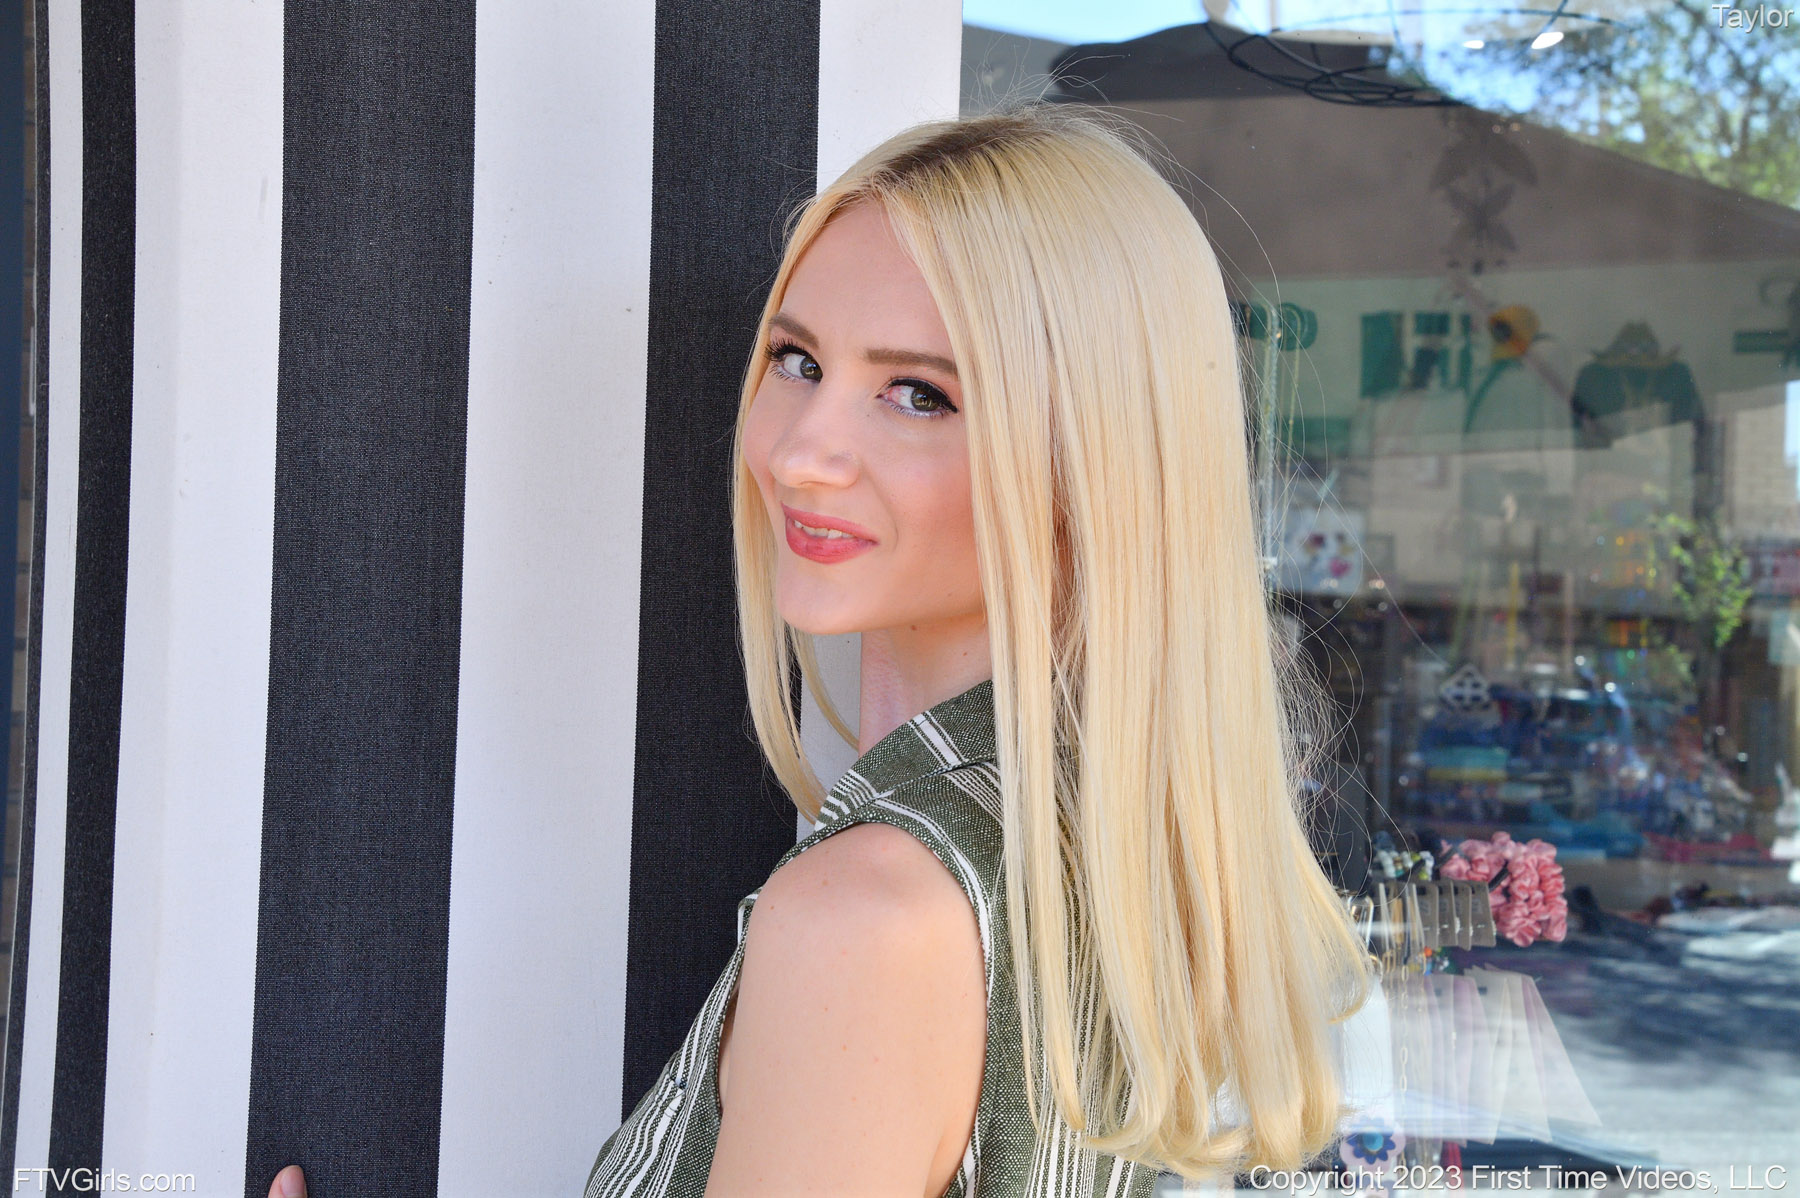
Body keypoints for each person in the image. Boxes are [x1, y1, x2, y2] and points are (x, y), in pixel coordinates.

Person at [268, 102, 1374, 1198]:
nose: (802, 452)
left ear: (1090, 459)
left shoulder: (869, 919)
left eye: (918, 394)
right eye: (796, 360)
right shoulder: (1109, 854)